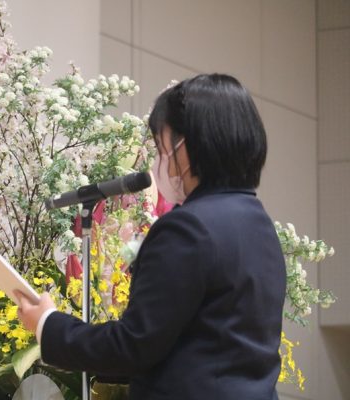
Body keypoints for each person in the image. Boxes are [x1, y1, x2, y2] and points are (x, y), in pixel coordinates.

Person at [14, 73, 286, 400]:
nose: (159, 161)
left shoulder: (189, 227)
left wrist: (47, 324)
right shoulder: (260, 226)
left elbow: (134, 346)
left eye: (161, 146)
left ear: (192, 144)